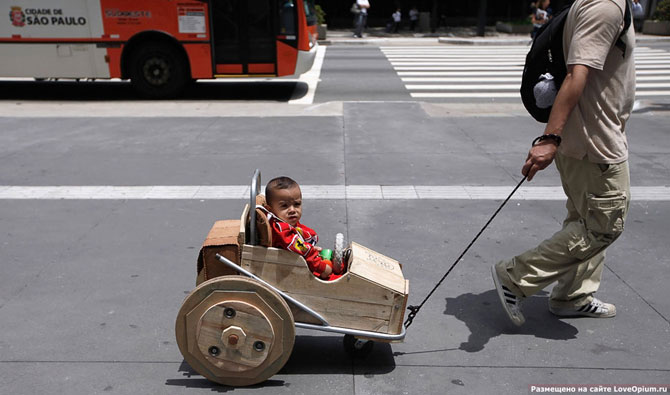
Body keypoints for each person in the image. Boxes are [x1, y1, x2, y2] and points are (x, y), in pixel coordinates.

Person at [492, 0, 635, 326]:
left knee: (584, 218)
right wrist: (550, 138)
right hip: (594, 142)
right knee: (602, 227)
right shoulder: (605, 6)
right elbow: (576, 74)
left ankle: (574, 295)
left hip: (584, 137)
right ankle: (515, 276)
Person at [263, 176, 344, 281]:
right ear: (270, 209)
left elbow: (300, 244)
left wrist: (311, 248)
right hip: (291, 267)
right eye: (284, 206)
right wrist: (322, 267)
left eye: (297, 204)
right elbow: (301, 249)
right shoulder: (282, 230)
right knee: (336, 277)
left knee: (330, 256)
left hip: (295, 259)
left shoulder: (284, 221)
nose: (292, 210)